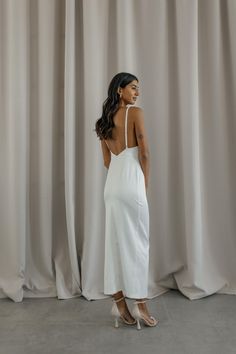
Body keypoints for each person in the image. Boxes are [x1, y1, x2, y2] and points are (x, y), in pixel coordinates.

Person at [95, 72, 158, 330]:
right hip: (132, 185)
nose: (137, 93)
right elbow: (144, 152)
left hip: (112, 187)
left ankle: (120, 301)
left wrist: (120, 181)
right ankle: (141, 304)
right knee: (138, 244)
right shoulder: (136, 113)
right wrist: (144, 184)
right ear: (119, 90)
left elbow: (107, 161)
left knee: (115, 243)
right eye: (133, 87)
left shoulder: (103, 121)